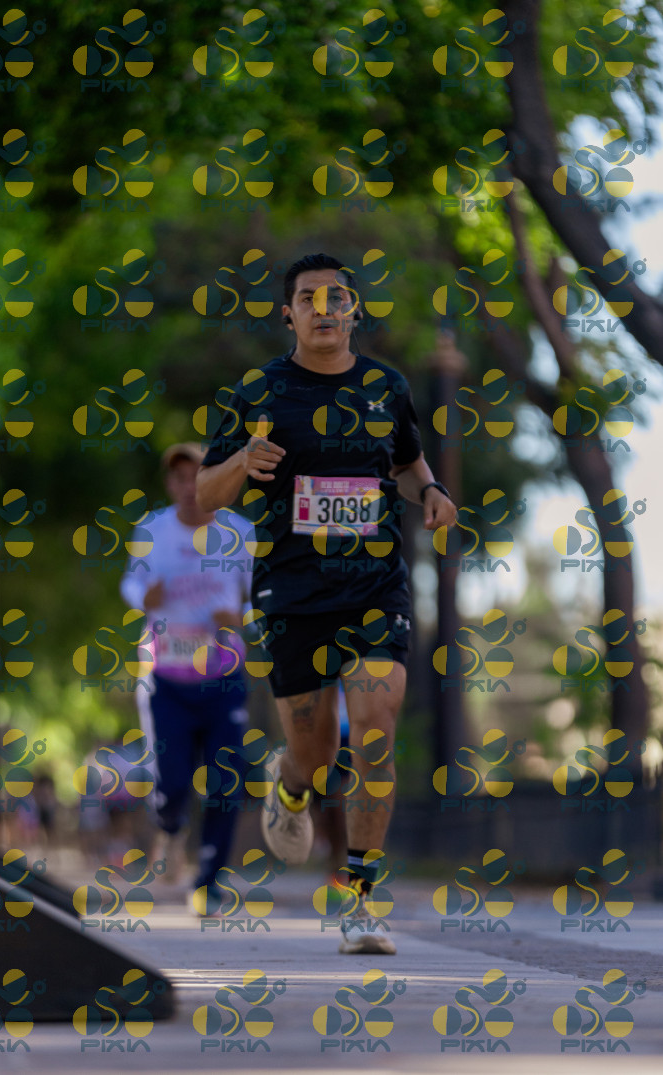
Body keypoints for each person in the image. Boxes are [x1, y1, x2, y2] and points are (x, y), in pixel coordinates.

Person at [196, 252, 457, 953]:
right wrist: (240, 462)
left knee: (374, 731)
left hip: (374, 587)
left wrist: (431, 491)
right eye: (307, 298)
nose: (323, 308)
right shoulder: (260, 389)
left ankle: (361, 902)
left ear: (354, 310)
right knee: (316, 756)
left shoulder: (386, 386)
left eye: (336, 296)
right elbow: (207, 493)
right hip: (292, 590)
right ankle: (289, 784)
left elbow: (405, 462)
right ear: (288, 315)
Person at [120, 443, 252, 915]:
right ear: (170, 484)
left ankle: (209, 883)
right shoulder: (152, 529)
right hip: (166, 676)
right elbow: (131, 582)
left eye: (197, 475)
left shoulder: (241, 533)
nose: (189, 486)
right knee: (172, 781)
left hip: (223, 676)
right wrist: (143, 597)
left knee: (225, 782)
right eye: (179, 477)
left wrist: (240, 617)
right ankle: (171, 827)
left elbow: (261, 598)